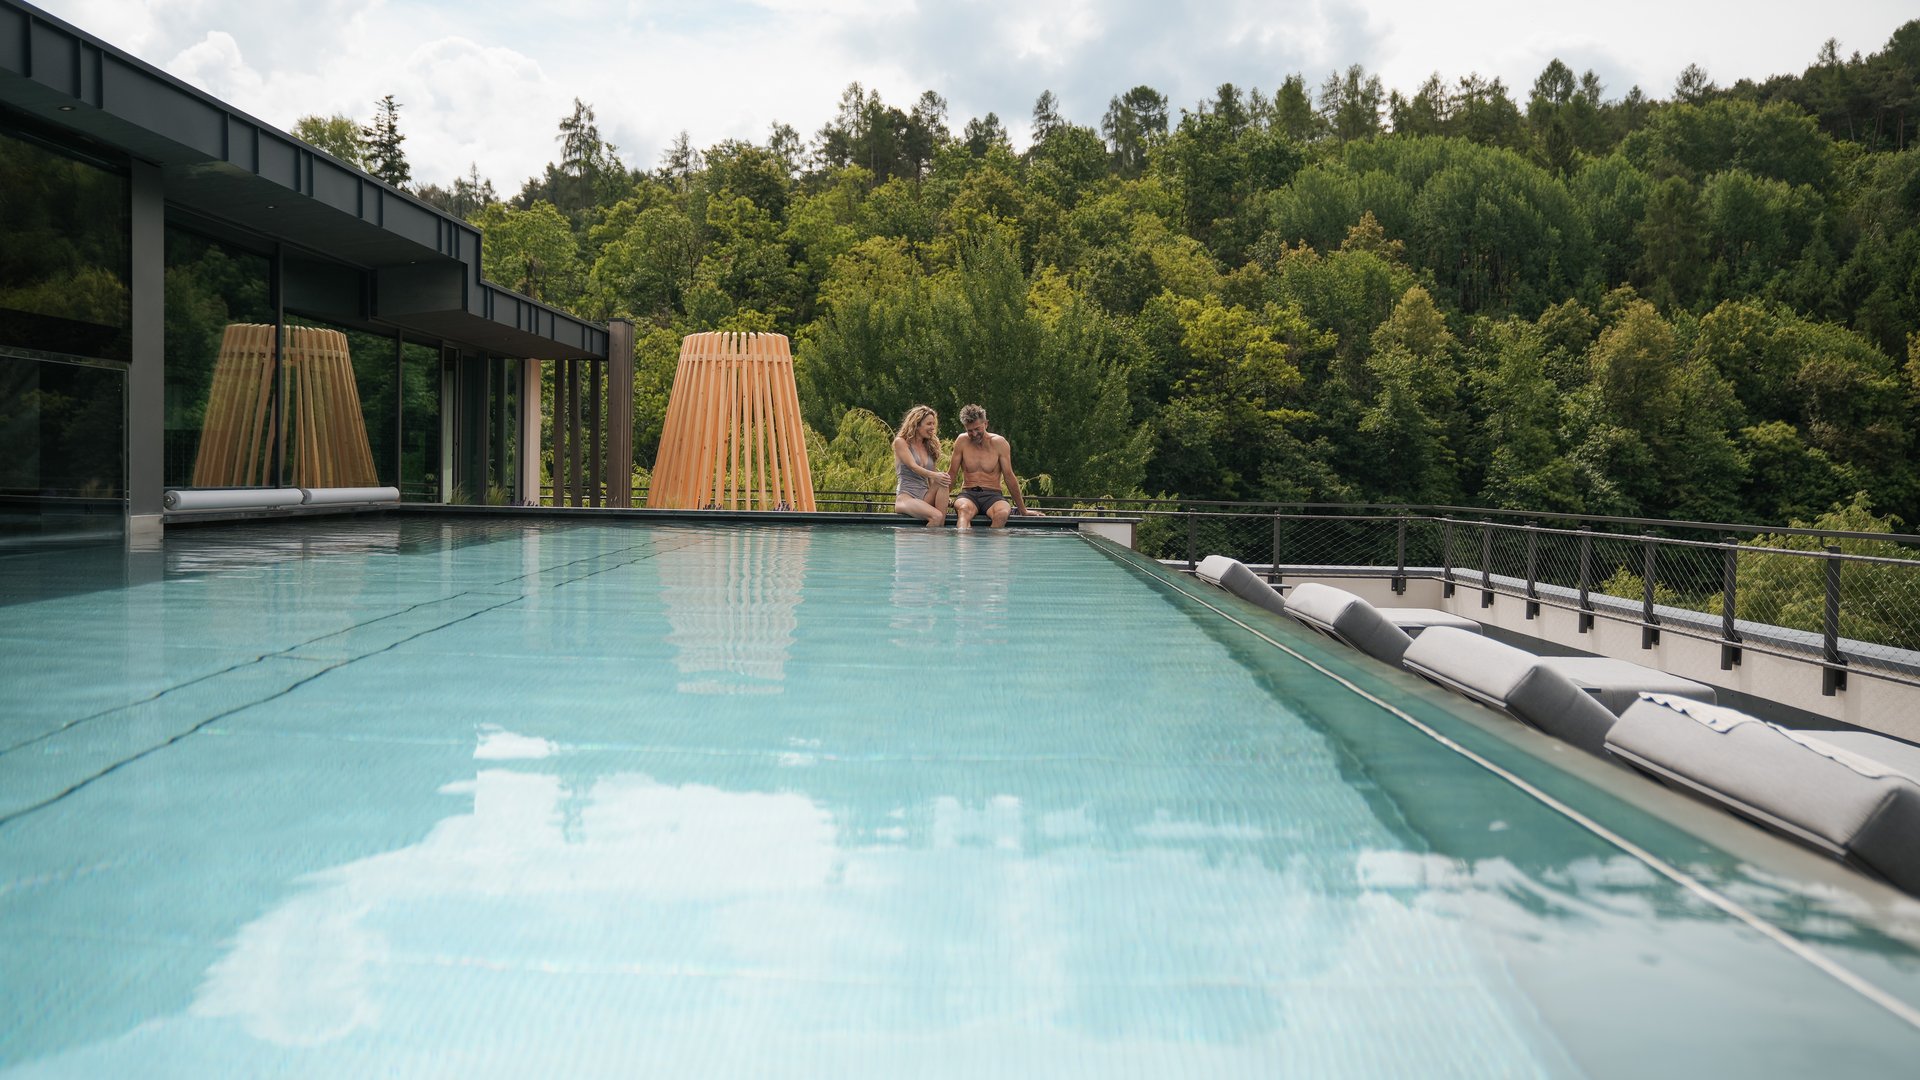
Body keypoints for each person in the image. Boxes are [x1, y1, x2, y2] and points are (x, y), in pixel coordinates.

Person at [947, 403, 1043, 529]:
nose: (974, 434)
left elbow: (1009, 476)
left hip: (993, 496)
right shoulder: (962, 441)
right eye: (970, 431)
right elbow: (952, 473)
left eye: (977, 429)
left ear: (986, 424)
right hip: (968, 494)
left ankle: (991, 547)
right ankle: (964, 547)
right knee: (964, 511)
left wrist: (1023, 510)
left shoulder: (999, 443)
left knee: (1002, 514)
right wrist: (943, 499)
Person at [892, 405, 951, 527]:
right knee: (937, 516)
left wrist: (942, 496)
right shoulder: (901, 442)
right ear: (917, 425)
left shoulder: (930, 446)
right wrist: (935, 475)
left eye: (934, 424)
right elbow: (913, 466)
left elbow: (931, 478)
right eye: (929, 424)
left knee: (943, 481)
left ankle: (938, 542)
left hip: (925, 496)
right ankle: (925, 545)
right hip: (907, 497)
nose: (933, 428)